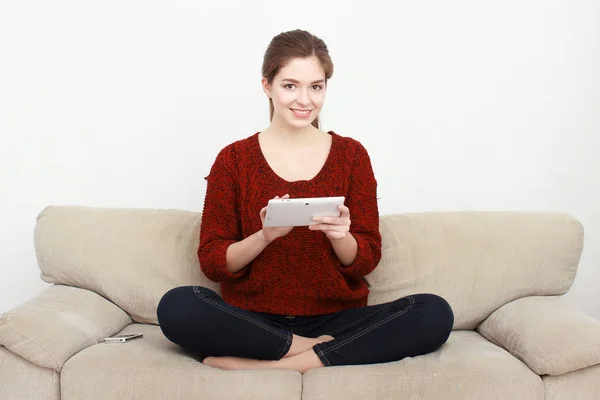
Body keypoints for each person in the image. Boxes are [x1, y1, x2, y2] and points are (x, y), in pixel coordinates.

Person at [157, 29, 454, 374]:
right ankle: (310, 351)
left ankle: (277, 366)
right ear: (267, 86)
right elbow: (212, 262)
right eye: (290, 85)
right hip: (254, 320)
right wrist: (264, 236)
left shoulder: (351, 156)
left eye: (316, 86)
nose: (305, 100)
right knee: (178, 306)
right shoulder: (233, 159)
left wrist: (341, 236)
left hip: (335, 317)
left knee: (433, 312)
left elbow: (367, 259)